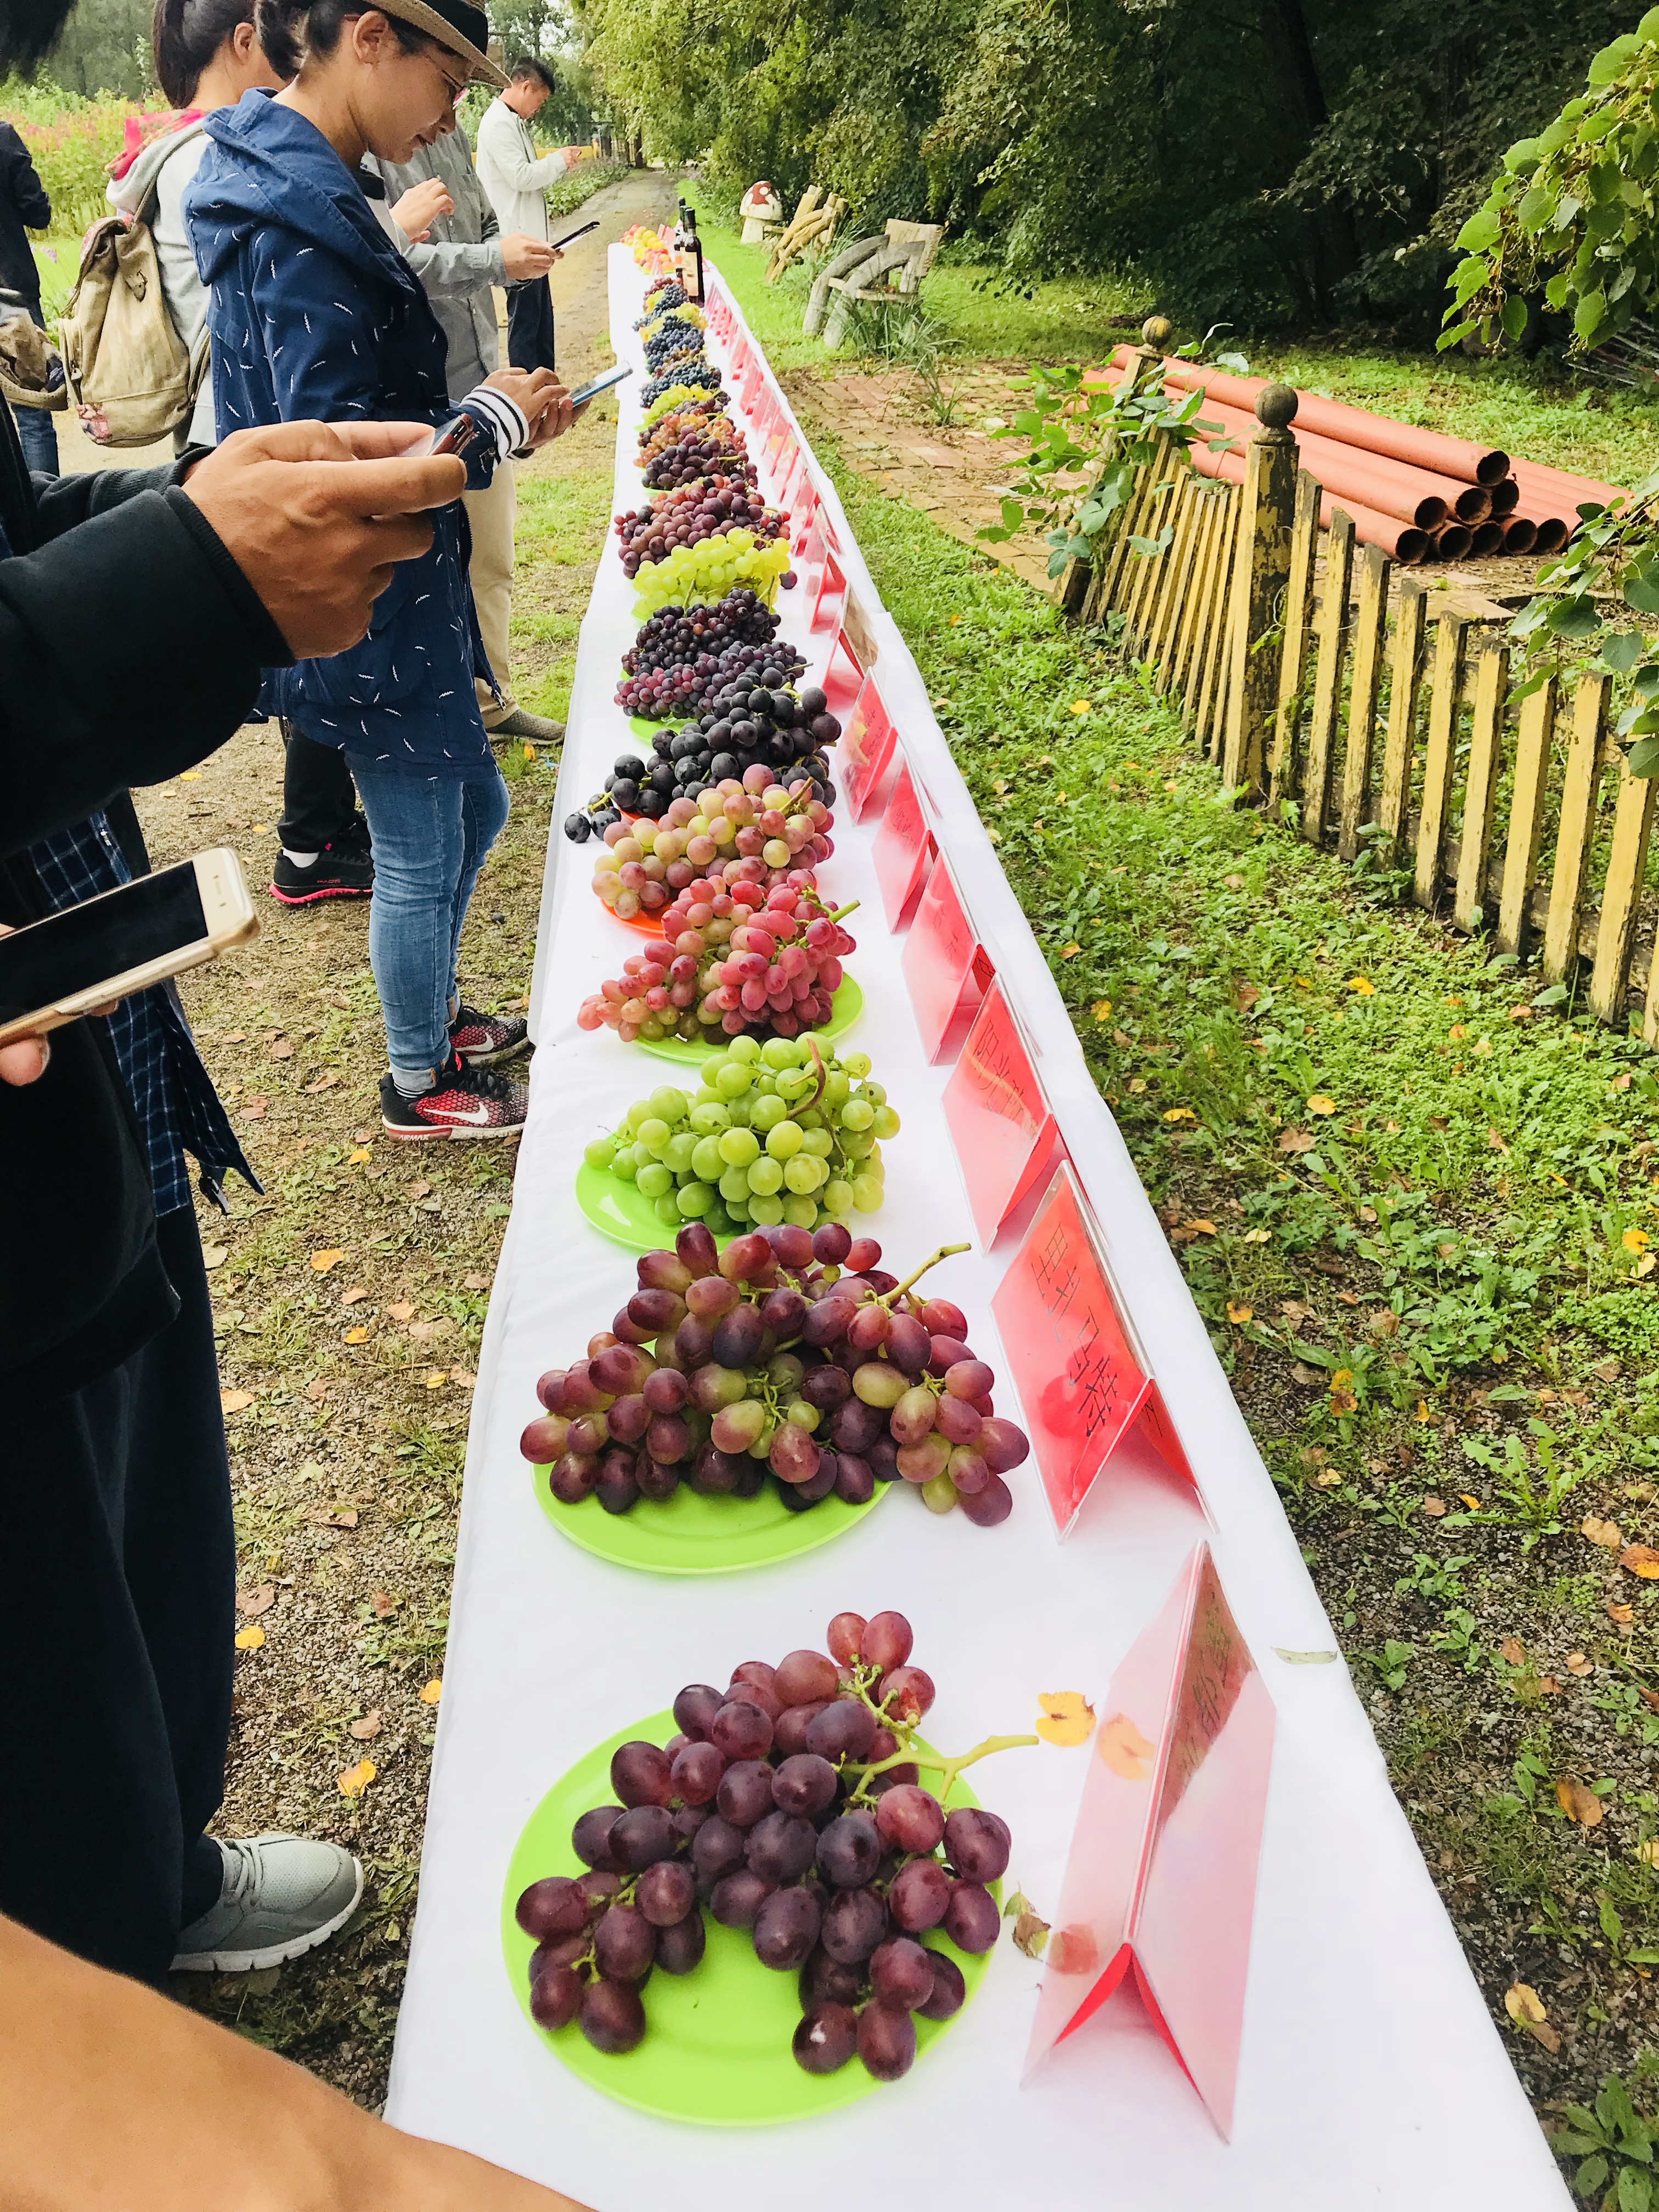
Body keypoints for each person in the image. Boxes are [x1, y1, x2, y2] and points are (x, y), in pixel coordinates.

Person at [1, 394, 472, 1987]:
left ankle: (153, 1873)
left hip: (71, 1045)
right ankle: (91, 2005)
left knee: (124, 1493)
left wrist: (187, 512)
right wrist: (175, 586)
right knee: (33, 1623)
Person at [187, 0, 576, 1139]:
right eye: (445, 80)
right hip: (358, 594)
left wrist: (491, 422)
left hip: (400, 582)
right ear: (368, 37)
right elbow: (333, 458)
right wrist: (485, 421)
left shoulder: (307, 186)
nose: (448, 116)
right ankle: (418, 1076)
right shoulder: (295, 217)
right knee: (416, 846)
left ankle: (437, 1012)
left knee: (478, 805)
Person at [114, 0, 379, 906]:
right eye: (276, 41)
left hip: (222, 426)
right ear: (241, 41)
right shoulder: (219, 155)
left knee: (298, 633)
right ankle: (310, 840)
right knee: (310, 633)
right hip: (244, 432)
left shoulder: (168, 155)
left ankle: (321, 828)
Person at [375, 114, 566, 744]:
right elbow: (387, 259)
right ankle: (434, 720)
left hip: (480, 379)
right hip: (415, 401)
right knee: (420, 570)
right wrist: (490, 261)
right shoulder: (365, 149)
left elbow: (484, 223)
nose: (452, 108)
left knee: (491, 555)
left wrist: (508, 254)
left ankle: (492, 702)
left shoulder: (451, 135)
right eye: (446, 82)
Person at [475, 55, 566, 376]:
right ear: (525, 87)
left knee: (541, 323)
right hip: (516, 241)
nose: (538, 108)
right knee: (526, 327)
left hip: (531, 239)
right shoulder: (498, 124)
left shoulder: (514, 122)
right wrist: (558, 161)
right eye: (540, 100)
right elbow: (522, 177)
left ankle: (546, 386)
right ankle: (528, 389)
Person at [0, 117, 59, 475]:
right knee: (33, 411)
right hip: (11, 294)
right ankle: (47, 504)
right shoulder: (3, 138)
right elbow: (38, 214)